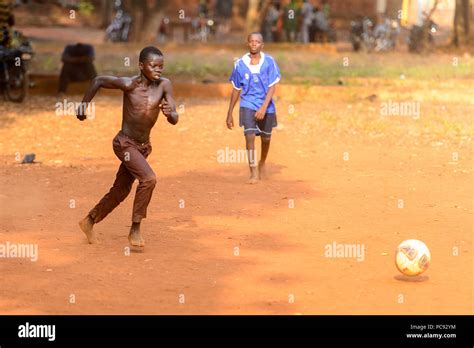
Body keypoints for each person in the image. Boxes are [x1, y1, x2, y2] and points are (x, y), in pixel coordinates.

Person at [77, 46, 179, 248]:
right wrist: (82, 106)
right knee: (149, 179)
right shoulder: (129, 84)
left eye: (161, 66)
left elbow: (174, 118)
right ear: (141, 66)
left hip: (143, 147)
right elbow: (97, 80)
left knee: (121, 190)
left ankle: (89, 221)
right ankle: (135, 228)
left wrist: (170, 114)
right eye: (153, 66)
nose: (158, 70)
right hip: (124, 144)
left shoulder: (165, 85)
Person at [226, 32, 281, 184]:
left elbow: (271, 87)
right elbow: (236, 89)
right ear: (248, 43)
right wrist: (230, 112)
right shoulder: (240, 64)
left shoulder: (269, 62)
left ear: (262, 45)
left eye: (257, 42)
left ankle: (262, 162)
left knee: (266, 138)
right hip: (248, 104)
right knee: (249, 136)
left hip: (266, 105)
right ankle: (253, 171)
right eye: (251, 41)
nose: (254, 44)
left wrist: (263, 107)